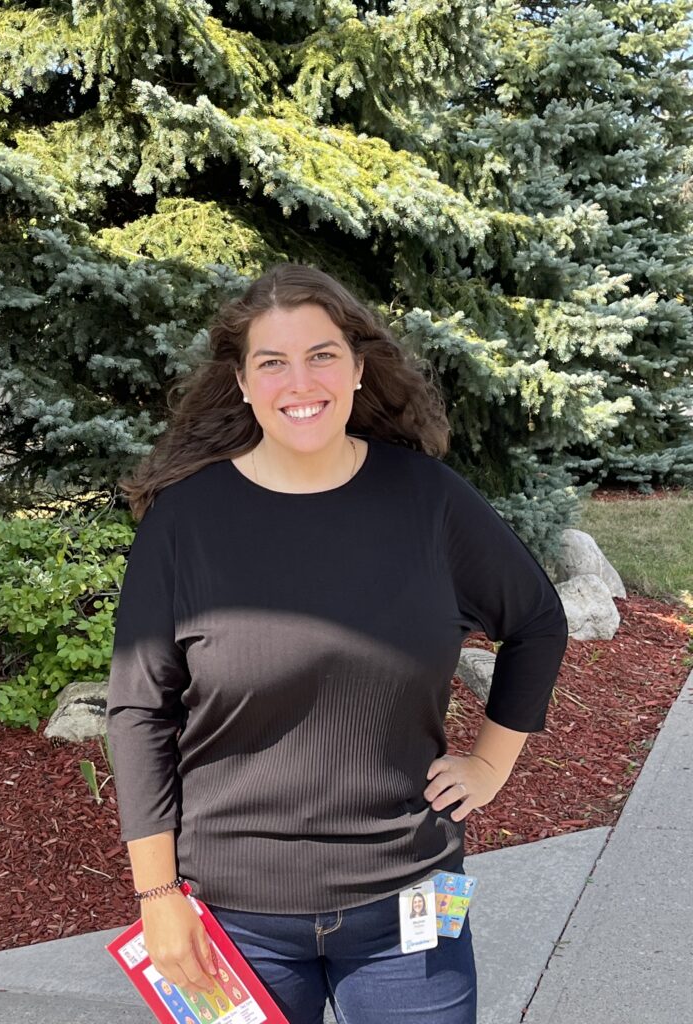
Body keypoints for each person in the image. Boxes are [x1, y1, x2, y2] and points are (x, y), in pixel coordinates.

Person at [106, 263, 569, 1024]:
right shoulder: (184, 524)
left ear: (356, 368)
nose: (301, 380)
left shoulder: (427, 501)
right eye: (272, 361)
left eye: (322, 354)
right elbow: (137, 711)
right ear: (243, 382)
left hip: (411, 904)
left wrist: (490, 764)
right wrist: (157, 898)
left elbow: (538, 622)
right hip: (233, 916)